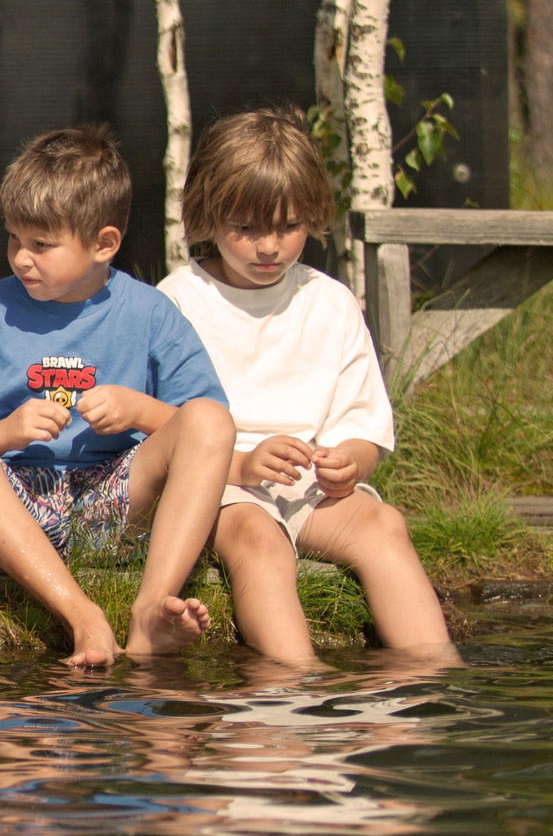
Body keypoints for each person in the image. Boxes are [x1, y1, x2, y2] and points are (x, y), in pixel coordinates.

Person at [0, 125, 237, 665]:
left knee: (209, 418)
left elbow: (203, 434)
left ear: (104, 244)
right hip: (8, 511)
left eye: (42, 245)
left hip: (113, 502)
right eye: (14, 239)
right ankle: (82, 615)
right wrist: (5, 433)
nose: (22, 258)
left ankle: (149, 611)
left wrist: (139, 411)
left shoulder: (149, 313)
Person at [159, 109, 452, 660]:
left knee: (384, 526)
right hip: (220, 487)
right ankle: (293, 682)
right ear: (207, 215)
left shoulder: (330, 301)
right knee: (258, 544)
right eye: (246, 228)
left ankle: (428, 680)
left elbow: (363, 425)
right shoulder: (178, 301)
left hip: (311, 487)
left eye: (288, 226)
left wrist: (352, 464)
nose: (268, 246)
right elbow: (157, 432)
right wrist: (241, 463)